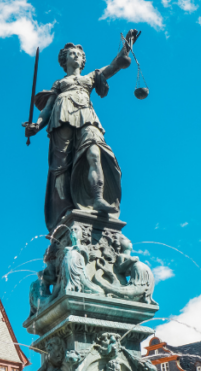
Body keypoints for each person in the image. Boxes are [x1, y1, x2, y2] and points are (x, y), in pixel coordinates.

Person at [24, 31, 139, 233]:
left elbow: (114, 66)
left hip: (86, 115)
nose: (76, 56)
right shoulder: (59, 84)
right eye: (71, 53)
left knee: (95, 153)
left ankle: (98, 199)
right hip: (61, 118)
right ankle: (64, 211)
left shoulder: (90, 78)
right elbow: (48, 109)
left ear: (83, 60)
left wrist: (126, 47)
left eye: (79, 54)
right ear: (64, 59)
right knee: (61, 167)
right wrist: (37, 125)